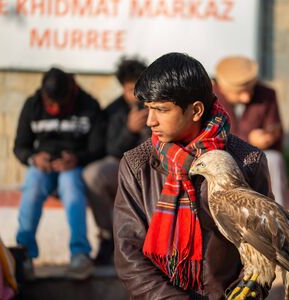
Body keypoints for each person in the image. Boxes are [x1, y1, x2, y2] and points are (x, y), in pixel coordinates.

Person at [113, 53, 273, 299]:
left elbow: (265, 246)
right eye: (148, 109)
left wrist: (246, 293)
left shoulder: (247, 161)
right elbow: (128, 255)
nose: (150, 121)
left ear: (196, 110)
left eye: (161, 110)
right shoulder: (137, 165)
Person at [13, 67, 104, 280]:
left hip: (73, 167)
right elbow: (20, 146)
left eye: (60, 103)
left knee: (72, 189)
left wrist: (77, 159)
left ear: (71, 90)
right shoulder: (33, 105)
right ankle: (24, 254)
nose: (54, 107)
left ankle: (80, 254)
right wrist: (33, 158)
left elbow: (99, 147)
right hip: (42, 167)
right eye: (50, 102)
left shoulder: (88, 105)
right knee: (32, 186)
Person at [83, 58, 150, 265]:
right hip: (122, 165)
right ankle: (107, 237)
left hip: (156, 169)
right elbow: (109, 149)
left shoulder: (158, 104)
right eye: (131, 89)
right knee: (92, 175)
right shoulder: (113, 111)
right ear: (122, 88)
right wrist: (129, 131)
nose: (136, 94)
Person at [213, 55, 287, 206]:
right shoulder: (211, 97)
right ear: (223, 89)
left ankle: (277, 212)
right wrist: (248, 139)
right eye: (240, 92)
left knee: (273, 159)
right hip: (223, 156)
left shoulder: (267, 94)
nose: (247, 97)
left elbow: (276, 129)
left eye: (250, 90)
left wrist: (269, 137)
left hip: (257, 157)